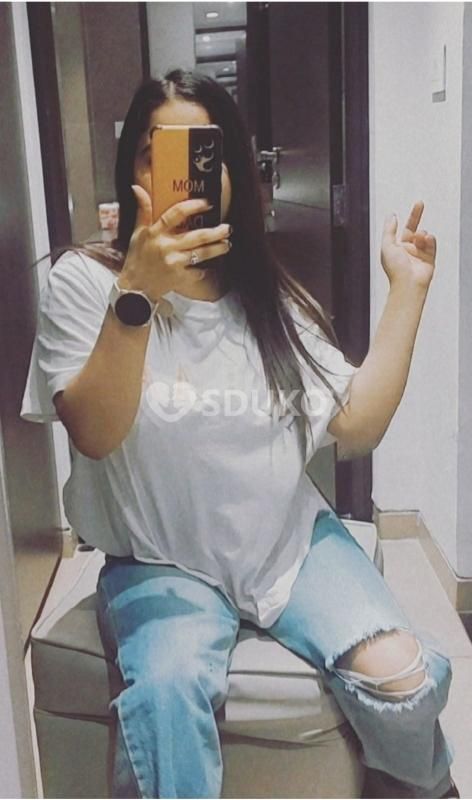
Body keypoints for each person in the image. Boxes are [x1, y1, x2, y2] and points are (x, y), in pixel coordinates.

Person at [20, 69, 458, 799]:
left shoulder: (267, 295)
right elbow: (94, 431)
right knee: (167, 697)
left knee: (404, 679)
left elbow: (357, 424)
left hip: (288, 543)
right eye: (157, 152)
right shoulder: (87, 282)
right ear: (133, 170)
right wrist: (139, 292)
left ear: (229, 173)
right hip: (160, 559)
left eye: (204, 152)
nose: (183, 173)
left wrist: (408, 291)